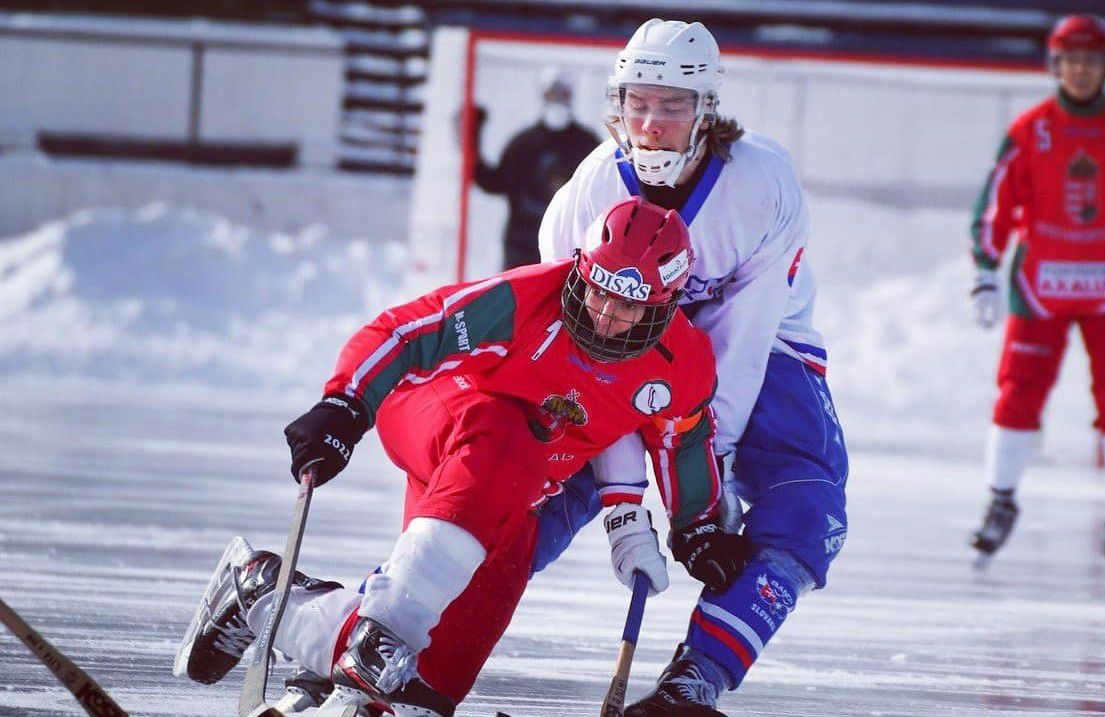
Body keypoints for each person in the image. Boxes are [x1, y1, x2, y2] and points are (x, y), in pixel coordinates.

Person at [174, 198, 727, 717]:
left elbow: (683, 443)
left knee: (432, 684)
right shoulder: (530, 297)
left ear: (664, 307)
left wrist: (698, 525)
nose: (603, 314)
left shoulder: (684, 365)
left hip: (513, 489)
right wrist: (346, 401)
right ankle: (383, 631)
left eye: (627, 305)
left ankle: (267, 597)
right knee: (508, 434)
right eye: (596, 290)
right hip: (437, 414)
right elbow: (411, 329)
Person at [536, 19, 849, 717]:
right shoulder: (584, 199)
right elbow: (585, 356)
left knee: (810, 509)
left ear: (706, 109)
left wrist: (703, 498)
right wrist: (624, 508)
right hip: (622, 349)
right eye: (637, 102)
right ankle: (402, 622)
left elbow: (741, 338)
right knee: (537, 484)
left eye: (672, 105)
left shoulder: (761, 184)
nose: (650, 122)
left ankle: (695, 678)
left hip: (766, 346)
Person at [967, 14, 1105, 573]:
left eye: (1089, 60)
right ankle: (1000, 500)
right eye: (1070, 60)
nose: (1080, 71)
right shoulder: (1031, 129)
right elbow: (996, 204)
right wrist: (987, 271)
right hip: (1041, 290)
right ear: (1055, 66)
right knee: (1018, 391)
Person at [472, 68, 601, 269]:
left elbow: (601, 189)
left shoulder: (586, 143)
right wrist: (472, 140)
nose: (557, 100)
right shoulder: (524, 143)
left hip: (570, 248)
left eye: (562, 94)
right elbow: (494, 182)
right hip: (523, 246)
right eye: (552, 94)